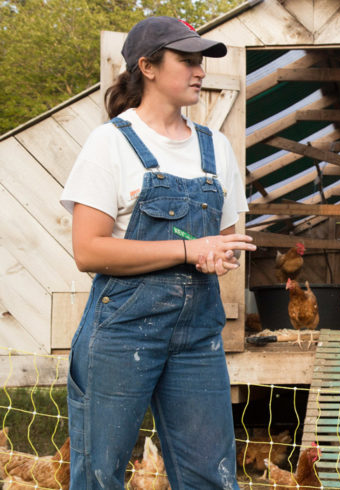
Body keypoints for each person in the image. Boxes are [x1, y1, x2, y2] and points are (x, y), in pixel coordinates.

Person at [60, 16, 256, 489]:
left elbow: (223, 244)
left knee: (211, 477)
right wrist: (190, 251)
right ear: (146, 67)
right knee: (101, 476)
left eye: (202, 62)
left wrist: (217, 256)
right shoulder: (111, 143)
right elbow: (88, 250)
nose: (200, 71)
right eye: (187, 60)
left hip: (196, 338)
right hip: (121, 334)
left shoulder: (216, 148)